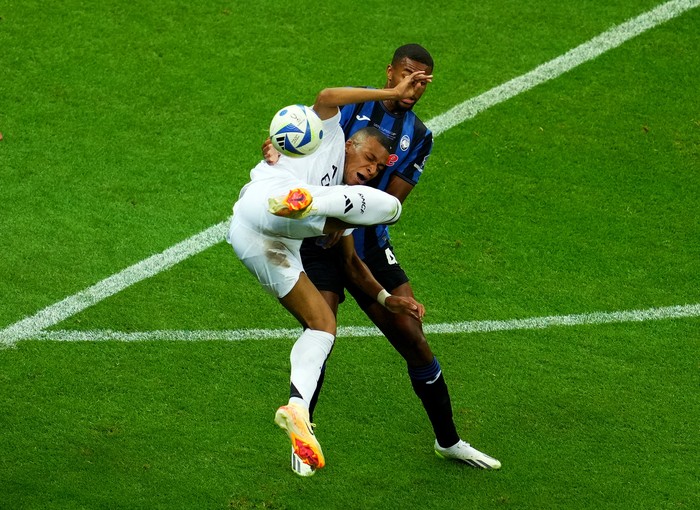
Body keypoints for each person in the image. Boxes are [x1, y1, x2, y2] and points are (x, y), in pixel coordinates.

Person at [264, 44, 501, 472]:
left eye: (424, 81)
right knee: (323, 328)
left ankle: (448, 441)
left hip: (368, 243)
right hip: (318, 240)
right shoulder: (356, 107)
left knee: (412, 334)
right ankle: (303, 436)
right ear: (390, 72)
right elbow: (307, 130)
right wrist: (278, 155)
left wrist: (349, 222)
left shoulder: (421, 137)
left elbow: (391, 202)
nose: (414, 85)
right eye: (408, 75)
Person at [227, 70, 431, 476]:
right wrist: (394, 92)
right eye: (369, 159)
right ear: (351, 144)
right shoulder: (330, 133)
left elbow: (354, 266)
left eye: (378, 166)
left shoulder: (346, 205)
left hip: (267, 246)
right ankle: (298, 202)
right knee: (341, 205)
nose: (372, 168)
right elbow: (326, 94)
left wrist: (388, 300)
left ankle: (296, 409)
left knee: (322, 325)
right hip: (259, 210)